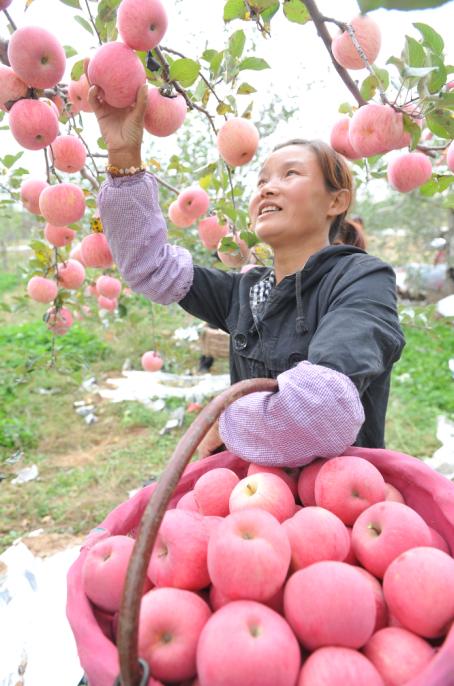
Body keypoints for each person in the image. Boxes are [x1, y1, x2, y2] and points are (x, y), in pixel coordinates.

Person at [90, 83, 405, 467]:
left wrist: (225, 423)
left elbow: (323, 408)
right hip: (252, 498)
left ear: (335, 201)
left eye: (290, 174)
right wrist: (124, 157)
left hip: (337, 506)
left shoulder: (361, 279)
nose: (268, 188)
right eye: (261, 181)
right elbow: (150, 268)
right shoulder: (248, 292)